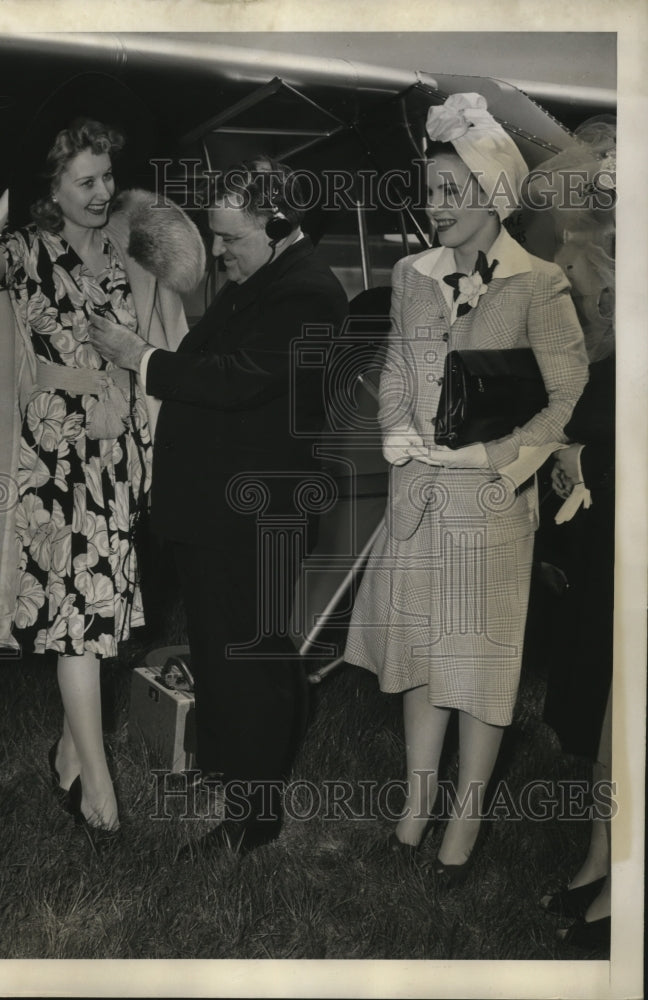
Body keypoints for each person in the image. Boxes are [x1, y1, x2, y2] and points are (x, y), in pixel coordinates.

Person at [344, 93, 589, 886]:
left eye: (452, 191)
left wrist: (498, 459)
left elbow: (567, 399)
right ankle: (416, 806)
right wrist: (391, 431)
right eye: (430, 189)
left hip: (489, 512)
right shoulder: (411, 276)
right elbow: (394, 370)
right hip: (415, 501)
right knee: (419, 658)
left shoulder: (540, 284)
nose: (435, 205)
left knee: (479, 671)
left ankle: (466, 820)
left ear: (493, 198)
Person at [0, 77, 204, 835]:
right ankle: (98, 788)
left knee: (106, 615)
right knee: (79, 626)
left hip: (117, 452)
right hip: (57, 460)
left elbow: (160, 338)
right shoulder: (25, 250)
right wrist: (4, 199)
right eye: (85, 181)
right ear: (52, 186)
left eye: (107, 178)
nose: (102, 192)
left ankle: (67, 756)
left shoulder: (129, 256)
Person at [89, 156, 349, 855]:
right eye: (217, 235)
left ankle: (254, 816)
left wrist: (138, 357)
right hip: (220, 512)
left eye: (232, 238)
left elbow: (231, 382)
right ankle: (239, 778)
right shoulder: (259, 278)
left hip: (255, 516)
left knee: (250, 662)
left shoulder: (307, 293)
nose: (220, 252)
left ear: (281, 224)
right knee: (230, 655)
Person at [530, 119, 616, 951]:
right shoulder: (594, 296)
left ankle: (623, 887)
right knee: (603, 695)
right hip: (606, 523)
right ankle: (600, 858)